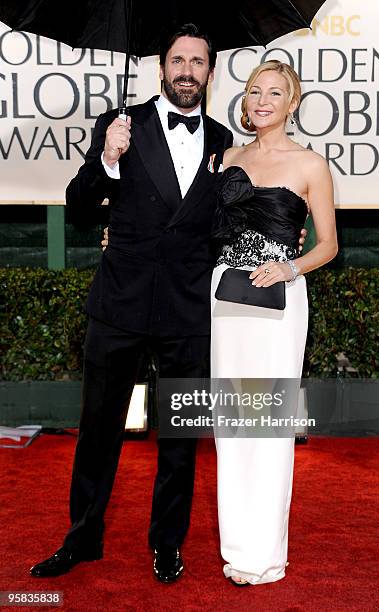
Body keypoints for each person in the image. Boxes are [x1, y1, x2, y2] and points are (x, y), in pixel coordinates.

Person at [29, 23, 233, 584]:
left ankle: (168, 545)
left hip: (188, 312)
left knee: (181, 439)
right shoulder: (122, 125)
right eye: (177, 60)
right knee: (98, 430)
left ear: (210, 72)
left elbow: (216, 227)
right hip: (119, 305)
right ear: (160, 68)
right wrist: (109, 159)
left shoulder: (220, 139)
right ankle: (81, 540)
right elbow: (78, 202)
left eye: (197, 61)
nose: (187, 70)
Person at [210, 60, 338, 586]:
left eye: (275, 92)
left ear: (292, 103)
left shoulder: (310, 165)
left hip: (279, 302)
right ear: (245, 100)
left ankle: (264, 556)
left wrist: (289, 266)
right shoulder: (225, 158)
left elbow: (328, 245)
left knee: (267, 425)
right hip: (223, 298)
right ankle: (237, 551)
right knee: (231, 425)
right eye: (255, 91)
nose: (263, 100)